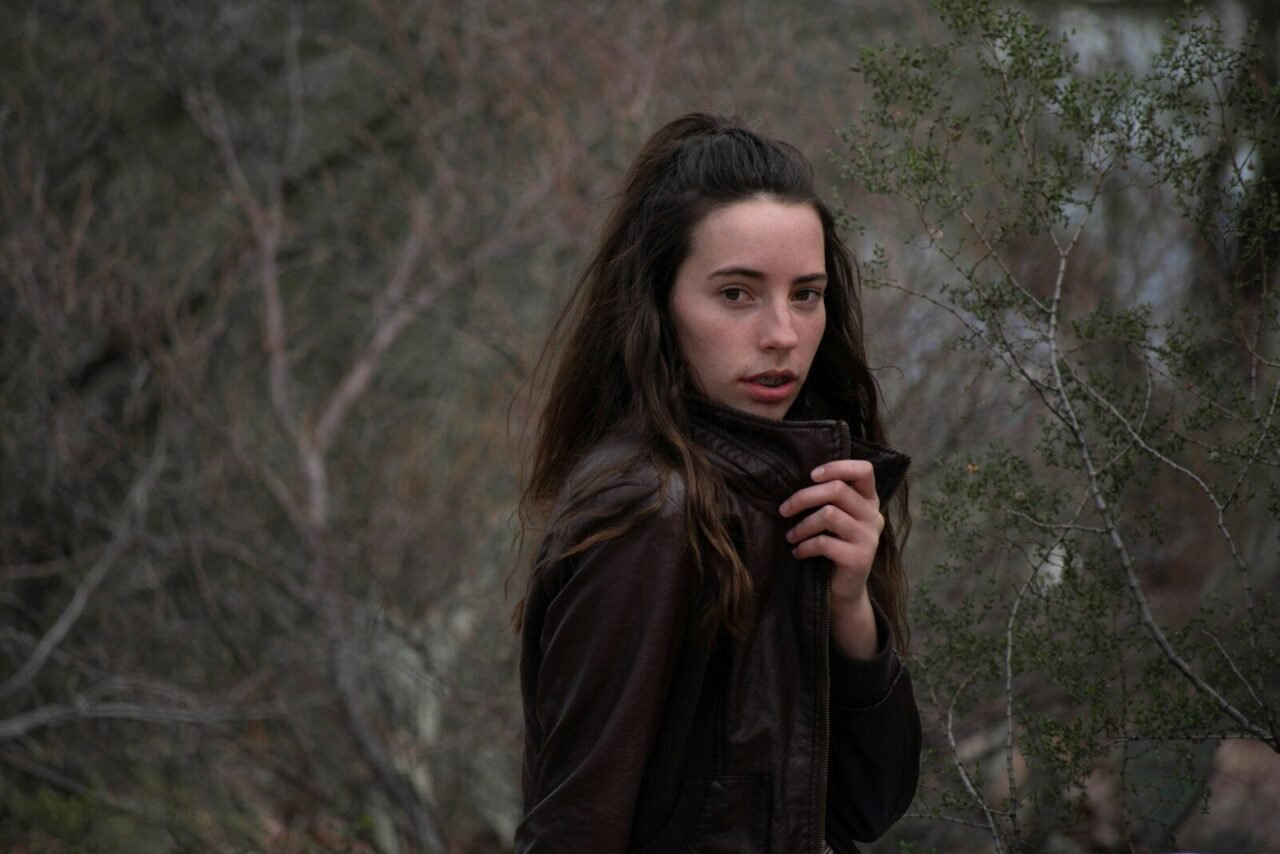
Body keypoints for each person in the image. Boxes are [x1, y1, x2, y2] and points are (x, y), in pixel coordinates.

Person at [514, 112, 920, 853]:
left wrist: (850, 611)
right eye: (737, 294)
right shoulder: (649, 513)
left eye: (806, 294)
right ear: (659, 304)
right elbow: (573, 830)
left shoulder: (787, 495)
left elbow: (866, 809)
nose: (782, 334)